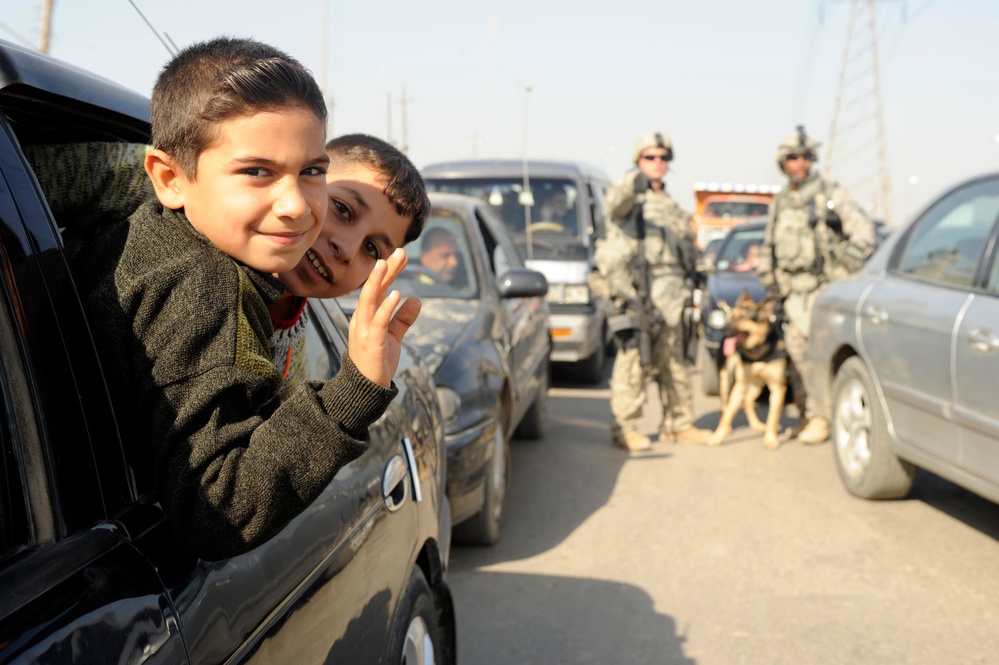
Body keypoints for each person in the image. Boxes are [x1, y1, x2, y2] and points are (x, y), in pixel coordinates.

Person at [68, 37, 422, 561]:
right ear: (168, 179)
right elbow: (219, 509)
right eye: (258, 171)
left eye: (311, 173)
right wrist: (357, 388)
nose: (297, 206)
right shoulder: (203, 281)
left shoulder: (266, 302)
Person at [756, 125, 876, 444]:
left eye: (806, 157)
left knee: (820, 357)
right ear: (783, 163)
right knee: (798, 359)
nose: (800, 163)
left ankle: (823, 417)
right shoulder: (781, 201)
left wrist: (845, 263)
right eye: (793, 158)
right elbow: (769, 246)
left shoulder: (831, 195)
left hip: (824, 291)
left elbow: (863, 234)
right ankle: (809, 414)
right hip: (792, 295)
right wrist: (770, 282)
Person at [593, 131, 711, 451]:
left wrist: (697, 272)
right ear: (638, 161)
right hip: (638, 289)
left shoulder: (670, 203)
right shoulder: (629, 194)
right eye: (650, 157)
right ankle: (626, 427)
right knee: (634, 360)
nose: (658, 163)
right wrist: (634, 185)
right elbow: (614, 205)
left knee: (674, 360)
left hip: (673, 293)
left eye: (663, 158)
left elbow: (686, 243)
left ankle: (679, 423)